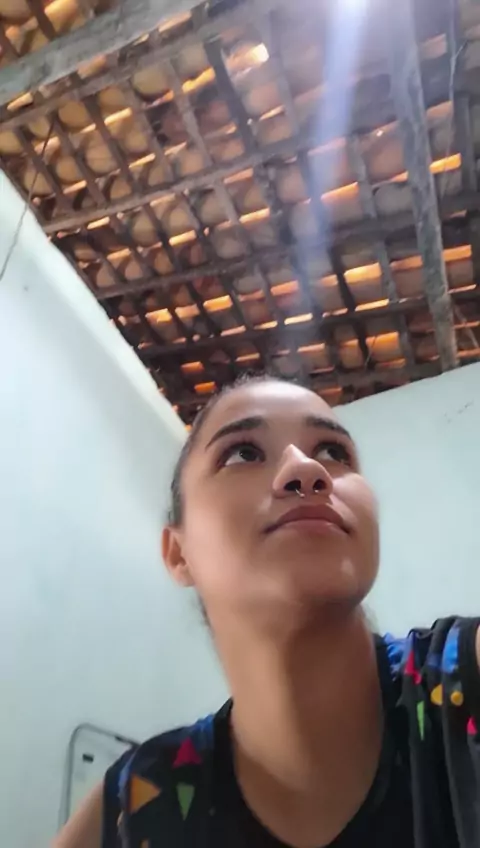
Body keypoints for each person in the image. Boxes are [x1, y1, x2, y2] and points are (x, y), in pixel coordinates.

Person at [54, 375, 480, 848]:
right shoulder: (133, 807)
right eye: (243, 453)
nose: (307, 469)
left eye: (333, 452)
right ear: (178, 553)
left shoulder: (466, 682)